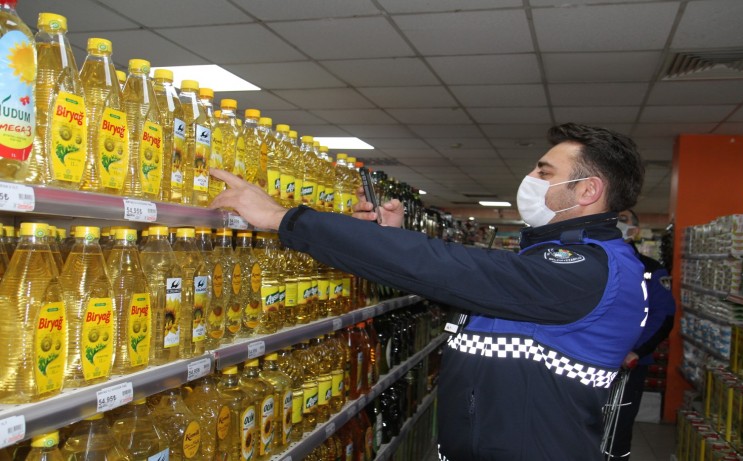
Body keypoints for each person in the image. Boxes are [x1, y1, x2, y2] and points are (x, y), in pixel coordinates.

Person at [210, 122, 647, 460]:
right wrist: (390, 240)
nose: (530, 177)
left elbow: (451, 269)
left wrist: (283, 218)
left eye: (544, 171)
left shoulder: (590, 268)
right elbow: (480, 302)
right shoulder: (554, 259)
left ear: (588, 190)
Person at [609, 209, 677, 460]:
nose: (617, 223)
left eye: (624, 220)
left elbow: (665, 317)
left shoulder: (651, 270)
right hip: (588, 361)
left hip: (629, 365)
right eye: (614, 218)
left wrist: (636, 351)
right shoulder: (592, 261)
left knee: (617, 427)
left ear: (635, 231)